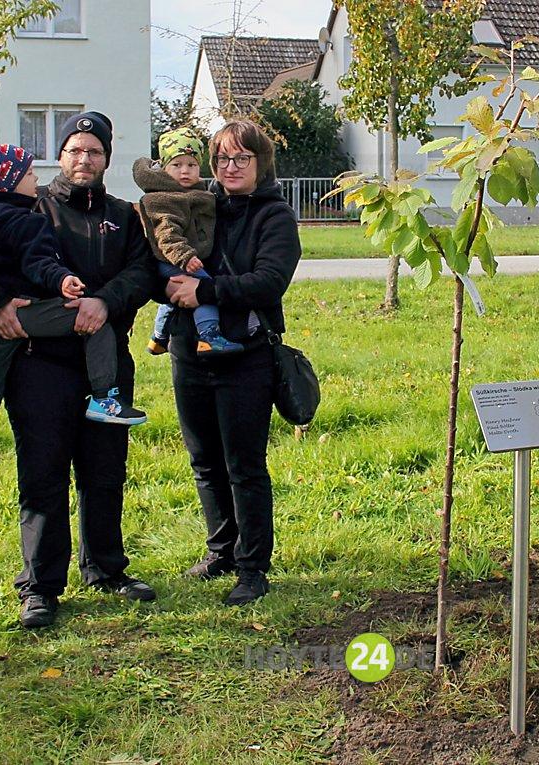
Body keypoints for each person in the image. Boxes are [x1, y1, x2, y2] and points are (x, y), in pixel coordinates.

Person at [0, 111, 160, 629]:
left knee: (104, 471)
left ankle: (106, 569)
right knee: (42, 474)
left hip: (106, 362)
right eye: (75, 149)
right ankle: (41, 587)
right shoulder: (30, 206)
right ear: (61, 155)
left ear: (106, 159)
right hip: (38, 365)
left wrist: (105, 302)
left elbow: (142, 273)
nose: (84, 159)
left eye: (94, 151)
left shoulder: (123, 215)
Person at [164, 120, 302, 606]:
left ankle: (252, 567)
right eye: (221, 158)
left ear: (261, 163)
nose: (229, 167)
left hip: (246, 356)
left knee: (244, 465)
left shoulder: (275, 216)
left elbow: (268, 282)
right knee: (204, 462)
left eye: (241, 158)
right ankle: (221, 549)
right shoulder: (201, 206)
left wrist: (204, 290)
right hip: (190, 352)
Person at [0, 143, 146, 482]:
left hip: (8, 327)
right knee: (93, 323)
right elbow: (39, 261)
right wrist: (62, 281)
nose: (35, 179)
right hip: (34, 334)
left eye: (95, 151)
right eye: (29, 174)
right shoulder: (31, 216)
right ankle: (104, 398)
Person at [133, 128, 243, 356]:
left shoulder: (189, 193)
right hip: (173, 258)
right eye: (177, 165)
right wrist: (185, 257)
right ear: (164, 168)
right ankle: (209, 335)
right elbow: (167, 233)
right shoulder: (164, 198)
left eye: (191, 165)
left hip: (176, 259)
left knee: (174, 297)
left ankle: (158, 338)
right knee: (202, 288)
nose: (185, 171)